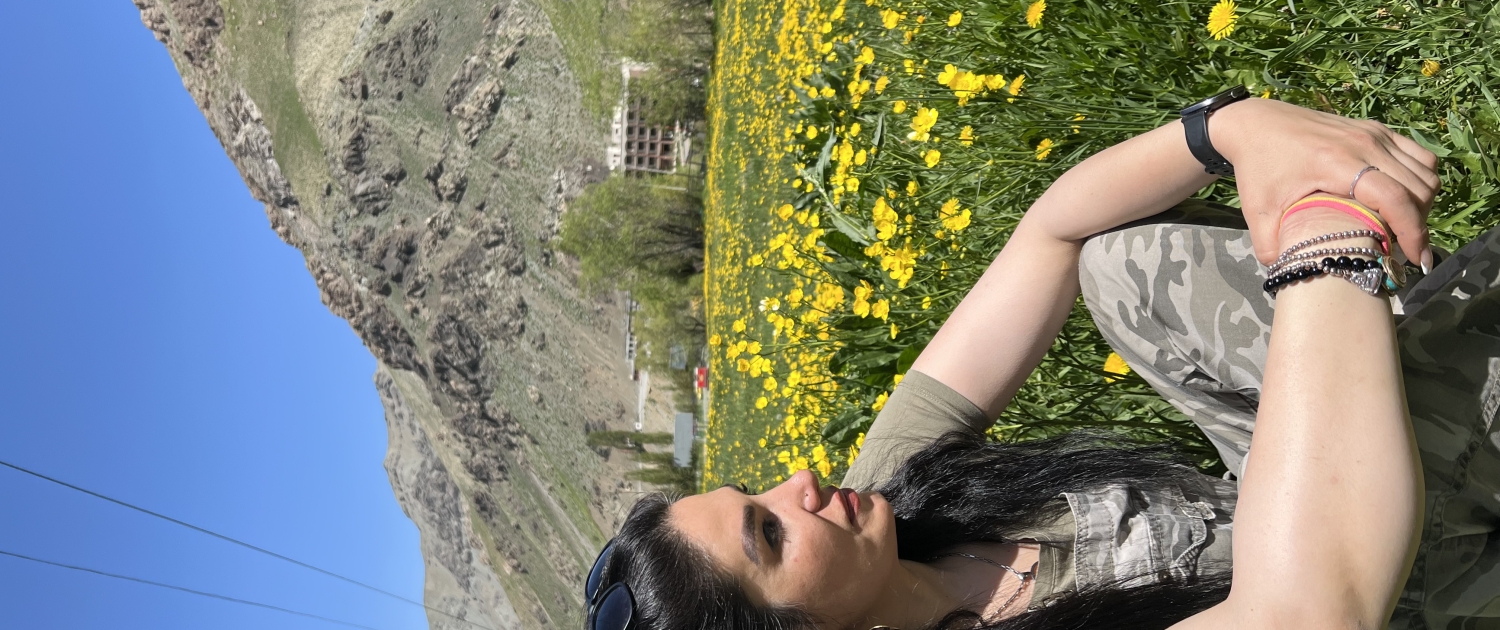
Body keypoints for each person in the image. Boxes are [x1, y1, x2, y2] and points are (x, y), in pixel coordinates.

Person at [583, 97, 1494, 630]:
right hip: (1386, 587)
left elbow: (1051, 235)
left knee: (1123, 267)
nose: (801, 484)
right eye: (770, 536)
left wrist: (1234, 132)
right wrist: (1325, 246)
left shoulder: (898, 495)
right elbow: (1311, 608)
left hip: (1334, 484)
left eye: (756, 489)